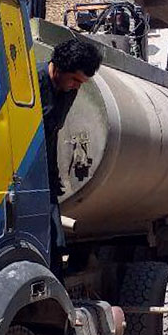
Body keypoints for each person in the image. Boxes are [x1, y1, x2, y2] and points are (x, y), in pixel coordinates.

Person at [38, 37, 103, 270]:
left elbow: (52, 133)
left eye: (82, 82)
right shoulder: (32, 83)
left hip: (47, 180)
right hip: (27, 179)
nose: (77, 86)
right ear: (60, 66)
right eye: (75, 79)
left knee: (56, 247)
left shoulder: (70, 91)